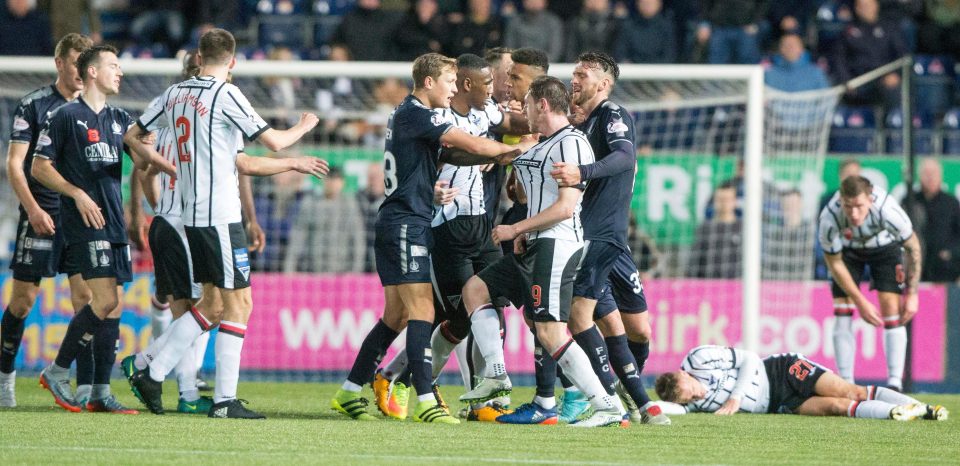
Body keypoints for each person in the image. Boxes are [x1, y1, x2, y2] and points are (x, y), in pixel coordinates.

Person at [127, 28, 323, 419]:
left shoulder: (174, 95)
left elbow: (133, 135)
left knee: (215, 303)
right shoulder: (225, 94)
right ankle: (216, 397)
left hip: (191, 213)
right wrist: (304, 126)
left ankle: (152, 366)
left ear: (199, 57)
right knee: (240, 303)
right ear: (232, 62)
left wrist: (158, 163)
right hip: (218, 214)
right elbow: (275, 142)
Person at [329, 53, 523, 424]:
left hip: (400, 220)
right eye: (450, 82)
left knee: (397, 315)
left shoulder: (407, 114)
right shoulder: (419, 113)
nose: (453, 90)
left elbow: (450, 155)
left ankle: (350, 391)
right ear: (429, 82)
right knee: (423, 312)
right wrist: (510, 151)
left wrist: (493, 158)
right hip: (407, 224)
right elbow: (466, 142)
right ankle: (425, 400)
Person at [461, 75, 626, 428]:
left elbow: (567, 207)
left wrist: (517, 228)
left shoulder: (573, 144)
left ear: (543, 104)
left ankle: (606, 404)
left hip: (557, 244)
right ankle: (496, 374)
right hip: (536, 243)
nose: (525, 111)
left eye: (529, 104)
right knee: (475, 290)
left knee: (551, 331)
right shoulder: (544, 143)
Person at [33, 44, 176, 413]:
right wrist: (76, 193)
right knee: (105, 301)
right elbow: (39, 166)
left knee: (113, 309)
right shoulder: (66, 115)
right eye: (114, 65)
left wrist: (169, 166)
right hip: (85, 221)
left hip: (112, 221)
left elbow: (142, 157)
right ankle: (58, 371)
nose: (121, 72)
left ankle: (98, 392)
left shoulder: (119, 118)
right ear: (92, 72)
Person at [548, 51, 670, 426]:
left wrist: (581, 171)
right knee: (592, 318)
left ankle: (620, 396)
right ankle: (634, 403)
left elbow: (625, 158)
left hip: (609, 236)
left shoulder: (612, 115)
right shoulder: (573, 125)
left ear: (603, 83)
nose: (574, 79)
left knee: (637, 329)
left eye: (582, 74)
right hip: (594, 236)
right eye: (573, 73)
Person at [0, 33, 93, 409]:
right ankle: (5, 379)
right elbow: (14, 165)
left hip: (80, 218)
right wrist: (34, 210)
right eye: (75, 63)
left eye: (87, 65)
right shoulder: (34, 104)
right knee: (22, 302)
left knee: (87, 301)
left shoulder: (94, 108)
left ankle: (86, 388)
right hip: (42, 215)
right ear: (59, 63)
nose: (81, 71)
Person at [655, 345, 947, 421]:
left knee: (851, 390)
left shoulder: (699, 359)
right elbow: (673, 409)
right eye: (690, 400)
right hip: (780, 404)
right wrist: (645, 407)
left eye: (691, 391)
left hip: (781, 370)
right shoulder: (689, 403)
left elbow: (750, 358)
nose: (697, 397)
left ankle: (922, 407)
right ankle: (897, 414)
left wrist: (736, 398)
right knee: (836, 406)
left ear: (683, 375)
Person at [819, 175, 921, 391]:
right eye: (848, 207)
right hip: (847, 250)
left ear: (870, 200)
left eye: (859, 206)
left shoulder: (889, 212)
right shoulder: (830, 217)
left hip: (884, 247)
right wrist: (861, 301)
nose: (854, 214)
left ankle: (894, 383)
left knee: (891, 309)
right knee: (842, 310)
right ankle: (846, 383)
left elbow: (913, 247)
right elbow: (834, 263)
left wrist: (912, 294)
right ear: (841, 200)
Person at [284, 166, 366, 273]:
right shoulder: (310, 203)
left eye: (336, 180)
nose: (332, 183)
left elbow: (358, 239)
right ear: (323, 180)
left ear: (342, 183)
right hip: (313, 270)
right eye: (329, 179)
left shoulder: (349, 205)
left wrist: (355, 271)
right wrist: (290, 268)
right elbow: (298, 237)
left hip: (341, 271)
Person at [828, 0, 907, 109]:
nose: (865, 9)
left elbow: (903, 57)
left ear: (876, 6)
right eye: (861, 6)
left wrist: (896, 74)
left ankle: (894, 123)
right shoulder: (847, 32)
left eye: (868, 5)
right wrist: (846, 81)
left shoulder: (889, 29)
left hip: (883, 80)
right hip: (858, 82)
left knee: (894, 90)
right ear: (856, 9)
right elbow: (839, 59)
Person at [909, 158, 960, 283]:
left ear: (941, 176)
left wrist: (951, 253)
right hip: (915, 270)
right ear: (919, 176)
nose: (930, 178)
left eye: (934, 173)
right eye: (926, 174)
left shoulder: (951, 203)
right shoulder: (909, 202)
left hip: (946, 272)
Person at [690, 182, 743, 278]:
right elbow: (695, 262)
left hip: (738, 285)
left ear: (735, 201)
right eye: (720, 199)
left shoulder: (744, 229)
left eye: (728, 199)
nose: (724, 203)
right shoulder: (704, 229)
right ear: (714, 201)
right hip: (710, 285)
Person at [764, 33, 830, 92]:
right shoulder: (769, 74)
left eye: (793, 45)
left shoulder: (816, 73)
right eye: (786, 45)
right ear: (780, 49)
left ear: (801, 49)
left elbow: (825, 97)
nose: (790, 48)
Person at [357, 163, 385, 273]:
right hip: (362, 256)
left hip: (382, 258)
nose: (373, 180)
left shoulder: (391, 200)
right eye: (370, 177)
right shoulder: (358, 199)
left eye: (376, 176)